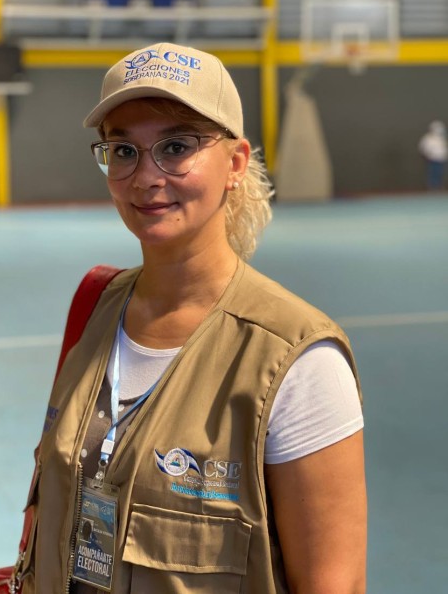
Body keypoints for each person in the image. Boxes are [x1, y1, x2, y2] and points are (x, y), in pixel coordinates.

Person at [20, 43, 366, 594]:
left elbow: (334, 584)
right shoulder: (96, 307)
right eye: (124, 150)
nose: (145, 177)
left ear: (235, 163)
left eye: (176, 147)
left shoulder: (299, 362)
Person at [418, 120, 448, 191]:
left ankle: (439, 186)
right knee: (433, 173)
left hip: (442, 159)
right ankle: (433, 187)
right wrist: (427, 155)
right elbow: (423, 148)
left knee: (440, 173)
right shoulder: (428, 138)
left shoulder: (443, 138)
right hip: (432, 159)